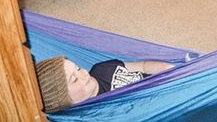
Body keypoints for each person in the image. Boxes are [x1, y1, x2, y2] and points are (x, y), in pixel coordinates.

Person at [35, 56, 174, 113]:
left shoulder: (101, 69)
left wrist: (170, 70)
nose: (83, 72)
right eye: (74, 79)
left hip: (169, 83)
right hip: (164, 108)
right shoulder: (94, 113)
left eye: (77, 68)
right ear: (64, 100)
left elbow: (143, 66)